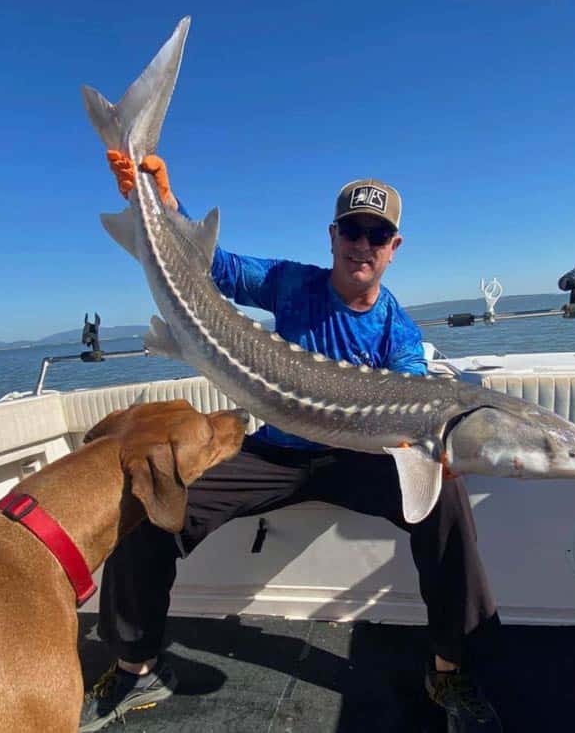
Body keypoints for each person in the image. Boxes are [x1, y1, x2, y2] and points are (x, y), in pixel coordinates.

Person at [79, 154, 504, 732]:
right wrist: (165, 202)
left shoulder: (394, 326)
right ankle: (135, 665)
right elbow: (217, 268)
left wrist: (437, 448)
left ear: (394, 246)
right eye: (352, 230)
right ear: (333, 236)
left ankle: (450, 667)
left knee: (446, 507)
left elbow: (414, 394)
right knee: (150, 511)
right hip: (276, 452)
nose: (363, 244)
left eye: (377, 235)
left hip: (360, 456)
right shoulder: (292, 283)